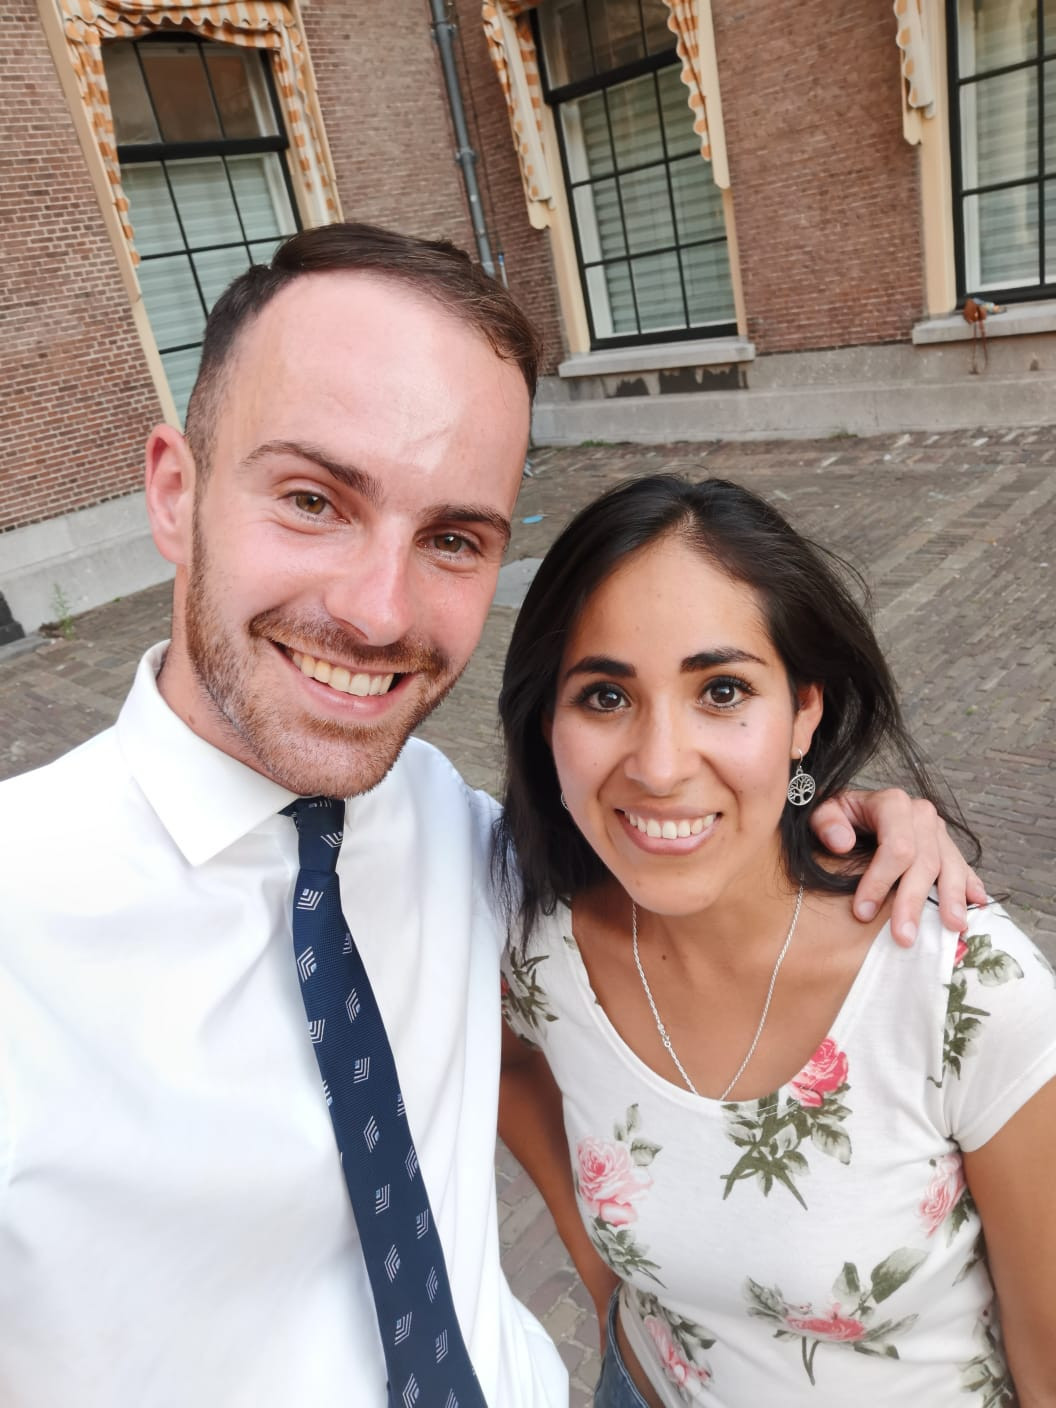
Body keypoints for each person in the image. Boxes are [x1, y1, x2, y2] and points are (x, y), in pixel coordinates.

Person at [0, 225, 977, 1408]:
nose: (378, 611)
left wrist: (837, 817)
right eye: (312, 500)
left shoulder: (454, 834)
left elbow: (589, 948)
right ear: (175, 491)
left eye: (453, 539)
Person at [496, 475, 1056, 1407]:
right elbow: (510, 1063)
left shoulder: (963, 991)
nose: (661, 766)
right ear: (546, 722)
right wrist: (602, 1282)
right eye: (604, 695)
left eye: (721, 691)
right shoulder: (537, 944)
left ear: (803, 713)